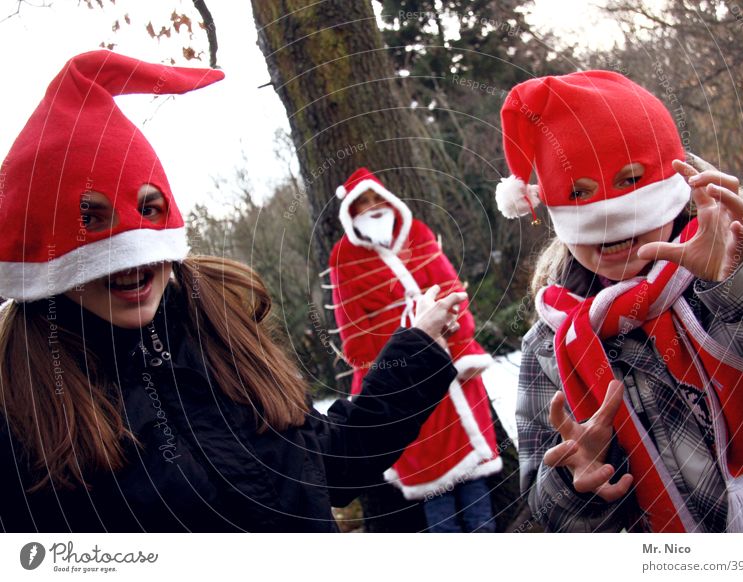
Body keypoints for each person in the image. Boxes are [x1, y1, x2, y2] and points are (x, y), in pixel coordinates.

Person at [0, 50, 467, 532]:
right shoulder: (23, 410)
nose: (133, 250)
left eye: (149, 208)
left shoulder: (225, 335)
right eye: (90, 219)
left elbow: (331, 465)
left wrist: (415, 352)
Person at [495, 70, 743, 532]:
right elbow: (543, 526)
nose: (610, 216)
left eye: (631, 179)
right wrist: (577, 481)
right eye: (579, 193)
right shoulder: (551, 344)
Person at [326, 167, 501, 532]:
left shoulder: (418, 234)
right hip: (406, 384)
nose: (373, 209)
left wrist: (449, 329)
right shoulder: (343, 259)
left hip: (454, 372)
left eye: (378, 200)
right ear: (349, 214)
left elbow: (454, 291)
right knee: (437, 499)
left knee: (477, 491)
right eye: (363, 204)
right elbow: (355, 340)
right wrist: (408, 341)